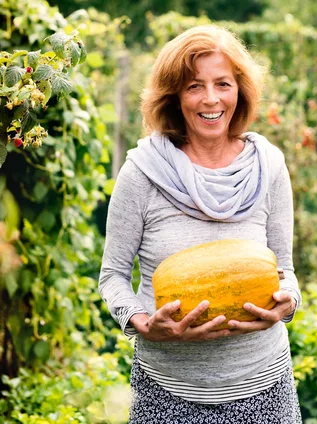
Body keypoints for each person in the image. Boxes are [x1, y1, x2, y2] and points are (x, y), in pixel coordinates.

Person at [99, 25, 302, 423]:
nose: (211, 99)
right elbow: (112, 276)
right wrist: (142, 324)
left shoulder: (269, 166)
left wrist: (287, 304)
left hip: (264, 386)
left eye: (223, 84)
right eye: (194, 86)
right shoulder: (142, 172)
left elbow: (286, 272)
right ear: (174, 95)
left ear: (240, 91)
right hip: (167, 392)